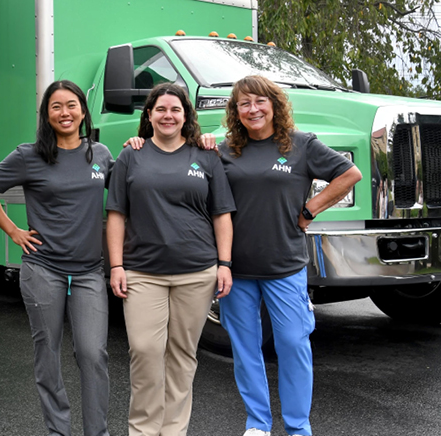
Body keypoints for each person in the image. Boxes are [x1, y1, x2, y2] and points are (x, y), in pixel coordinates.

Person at [203, 75, 363, 436]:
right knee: (245, 350)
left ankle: (297, 426)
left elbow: (349, 174)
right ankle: (258, 424)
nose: (253, 109)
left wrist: (310, 210)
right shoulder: (226, 151)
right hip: (237, 268)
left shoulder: (301, 145)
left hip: (285, 266)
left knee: (293, 344)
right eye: (244, 103)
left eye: (260, 101)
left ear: (274, 105)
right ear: (236, 111)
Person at [0, 80, 113, 436]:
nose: (64, 113)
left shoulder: (100, 154)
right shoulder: (29, 155)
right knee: (48, 354)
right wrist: (13, 231)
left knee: (93, 355)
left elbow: (128, 190)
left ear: (83, 110)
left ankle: (97, 432)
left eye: (71, 105)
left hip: (88, 272)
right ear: (46, 114)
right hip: (43, 269)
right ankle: (58, 431)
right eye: (56, 107)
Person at [106, 82, 235, 436]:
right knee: (145, 352)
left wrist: (224, 264)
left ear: (185, 116)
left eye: (175, 110)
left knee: (182, 356)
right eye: (161, 109)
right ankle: (144, 430)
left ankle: (174, 431)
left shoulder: (206, 155)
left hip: (197, 272)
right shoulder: (131, 155)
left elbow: (221, 213)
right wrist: (116, 265)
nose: (168, 115)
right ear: (149, 115)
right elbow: (116, 213)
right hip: (142, 273)